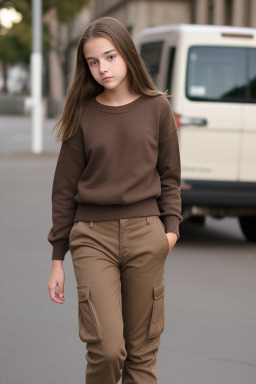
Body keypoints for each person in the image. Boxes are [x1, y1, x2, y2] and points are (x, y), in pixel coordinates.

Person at [47, 16, 182, 384]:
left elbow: (170, 177)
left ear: (127, 54)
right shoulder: (83, 113)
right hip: (92, 239)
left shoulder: (157, 108)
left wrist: (169, 234)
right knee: (106, 350)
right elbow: (64, 190)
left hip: (146, 237)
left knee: (141, 354)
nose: (102, 68)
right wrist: (58, 258)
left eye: (110, 56)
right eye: (93, 62)